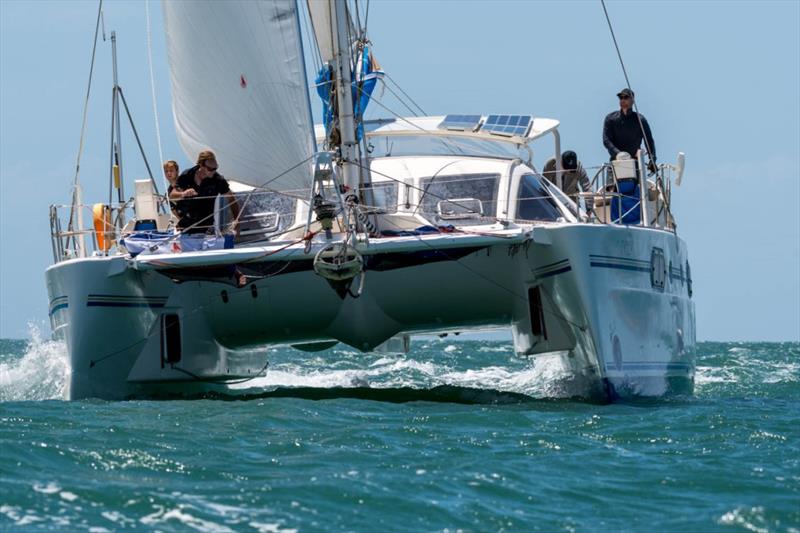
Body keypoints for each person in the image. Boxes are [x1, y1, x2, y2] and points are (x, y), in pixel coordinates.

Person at [175, 150, 240, 235]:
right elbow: (172, 194)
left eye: (215, 168)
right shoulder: (187, 175)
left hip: (207, 228)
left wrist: (237, 221)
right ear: (201, 165)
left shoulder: (218, 180)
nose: (213, 171)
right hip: (187, 226)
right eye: (210, 169)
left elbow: (232, 199)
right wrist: (183, 193)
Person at [602, 88, 657, 173]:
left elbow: (649, 140)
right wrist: (619, 154)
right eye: (621, 98)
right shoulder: (610, 119)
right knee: (611, 186)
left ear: (632, 101)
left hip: (635, 165)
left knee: (638, 186)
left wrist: (652, 159)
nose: (623, 100)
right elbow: (606, 140)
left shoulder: (640, 120)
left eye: (626, 97)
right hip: (615, 163)